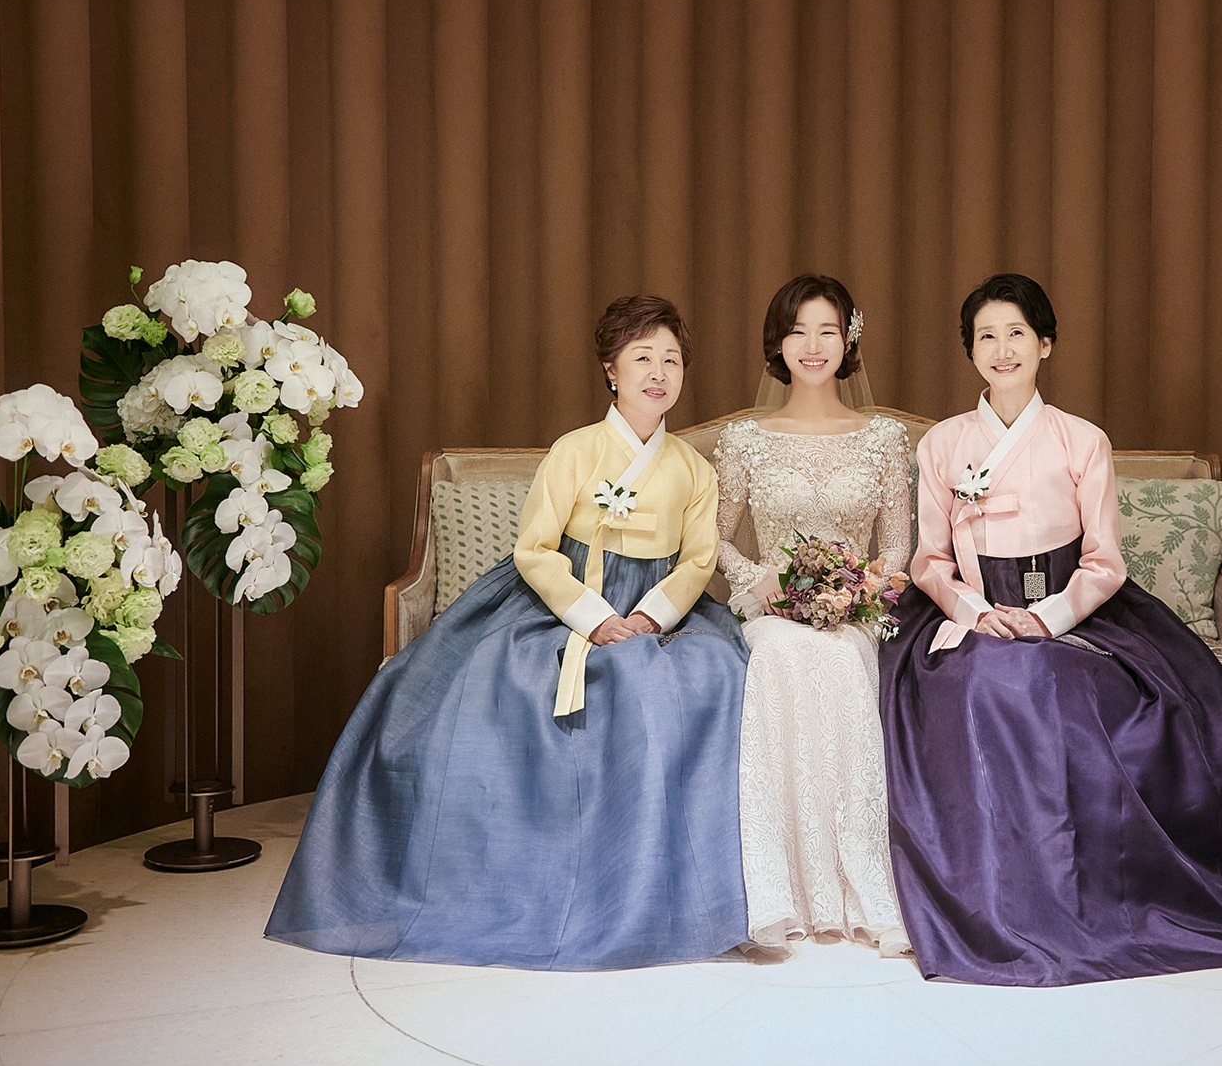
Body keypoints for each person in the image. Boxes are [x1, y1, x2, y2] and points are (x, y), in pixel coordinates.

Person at [879, 273, 1222, 986]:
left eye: (1017, 332)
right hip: (970, 608)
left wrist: (1045, 617)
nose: (1002, 348)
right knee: (983, 679)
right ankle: (998, 893)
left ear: (1046, 344)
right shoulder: (942, 443)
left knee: (1062, 677)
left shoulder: (1082, 440)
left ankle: (1083, 890)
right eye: (986, 336)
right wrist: (975, 611)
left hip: (1073, 604)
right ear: (970, 350)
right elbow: (929, 559)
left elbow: (1105, 562)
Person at [265, 296, 750, 969]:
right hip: (558, 602)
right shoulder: (574, 450)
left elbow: (698, 560)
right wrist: (595, 617)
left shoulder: (695, 469)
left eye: (671, 360)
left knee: (718, 672)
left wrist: (646, 618)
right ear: (611, 369)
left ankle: (678, 891)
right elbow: (535, 550)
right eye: (642, 357)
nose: (658, 372)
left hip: (657, 609)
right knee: (485, 681)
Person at [712, 275, 914, 957]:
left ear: (849, 339)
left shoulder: (884, 439)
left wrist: (859, 588)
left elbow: (898, 546)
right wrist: (760, 581)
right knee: (776, 653)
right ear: (778, 342)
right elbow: (713, 537)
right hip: (772, 612)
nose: (813, 345)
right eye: (798, 330)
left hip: (852, 612)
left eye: (828, 329)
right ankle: (782, 891)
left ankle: (858, 881)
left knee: (843, 656)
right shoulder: (744, 440)